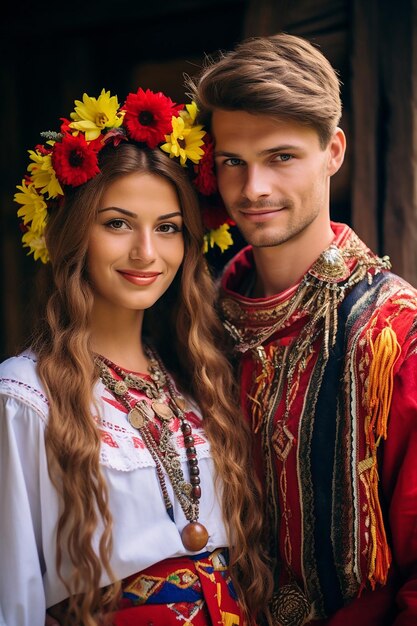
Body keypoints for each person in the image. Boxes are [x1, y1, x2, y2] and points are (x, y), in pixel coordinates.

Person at [0, 87, 272, 626]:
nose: (147, 252)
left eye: (168, 228)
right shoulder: (24, 399)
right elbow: (14, 599)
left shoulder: (198, 383)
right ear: (77, 233)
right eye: (118, 223)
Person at [187, 33, 417, 625]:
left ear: (333, 151)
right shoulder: (194, 326)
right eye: (233, 162)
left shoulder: (395, 336)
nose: (253, 188)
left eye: (281, 157)